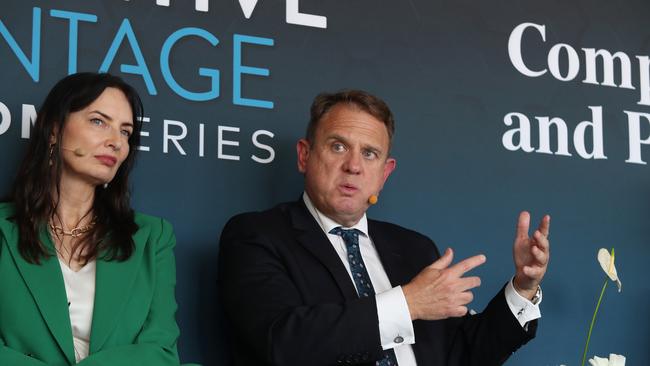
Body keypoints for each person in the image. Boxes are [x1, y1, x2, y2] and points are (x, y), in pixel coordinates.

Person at [218, 89, 551, 366]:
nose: (353, 166)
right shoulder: (256, 236)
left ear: (385, 172)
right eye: (338, 146)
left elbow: (463, 354)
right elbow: (283, 342)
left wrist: (522, 287)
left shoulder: (415, 249)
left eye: (369, 153)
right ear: (305, 156)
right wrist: (407, 304)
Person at [0, 72, 194, 366]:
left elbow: (160, 350)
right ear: (54, 129)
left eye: (126, 132)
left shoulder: (152, 236)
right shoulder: (4, 229)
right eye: (98, 121)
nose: (116, 141)